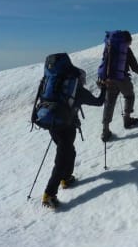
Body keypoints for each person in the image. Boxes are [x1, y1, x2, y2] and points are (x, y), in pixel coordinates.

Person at [42, 68, 106, 209]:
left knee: (69, 153)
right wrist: (104, 88)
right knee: (61, 160)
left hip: (53, 127)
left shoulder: (59, 89)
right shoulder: (79, 91)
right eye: (82, 79)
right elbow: (99, 102)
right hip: (67, 129)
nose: (83, 81)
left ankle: (66, 178)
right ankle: (49, 194)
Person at [101, 31, 138, 142]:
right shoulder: (126, 49)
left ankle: (105, 130)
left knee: (109, 103)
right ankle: (127, 120)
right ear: (127, 40)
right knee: (129, 96)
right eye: (130, 41)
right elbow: (135, 68)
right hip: (122, 79)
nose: (130, 43)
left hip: (109, 80)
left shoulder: (108, 47)